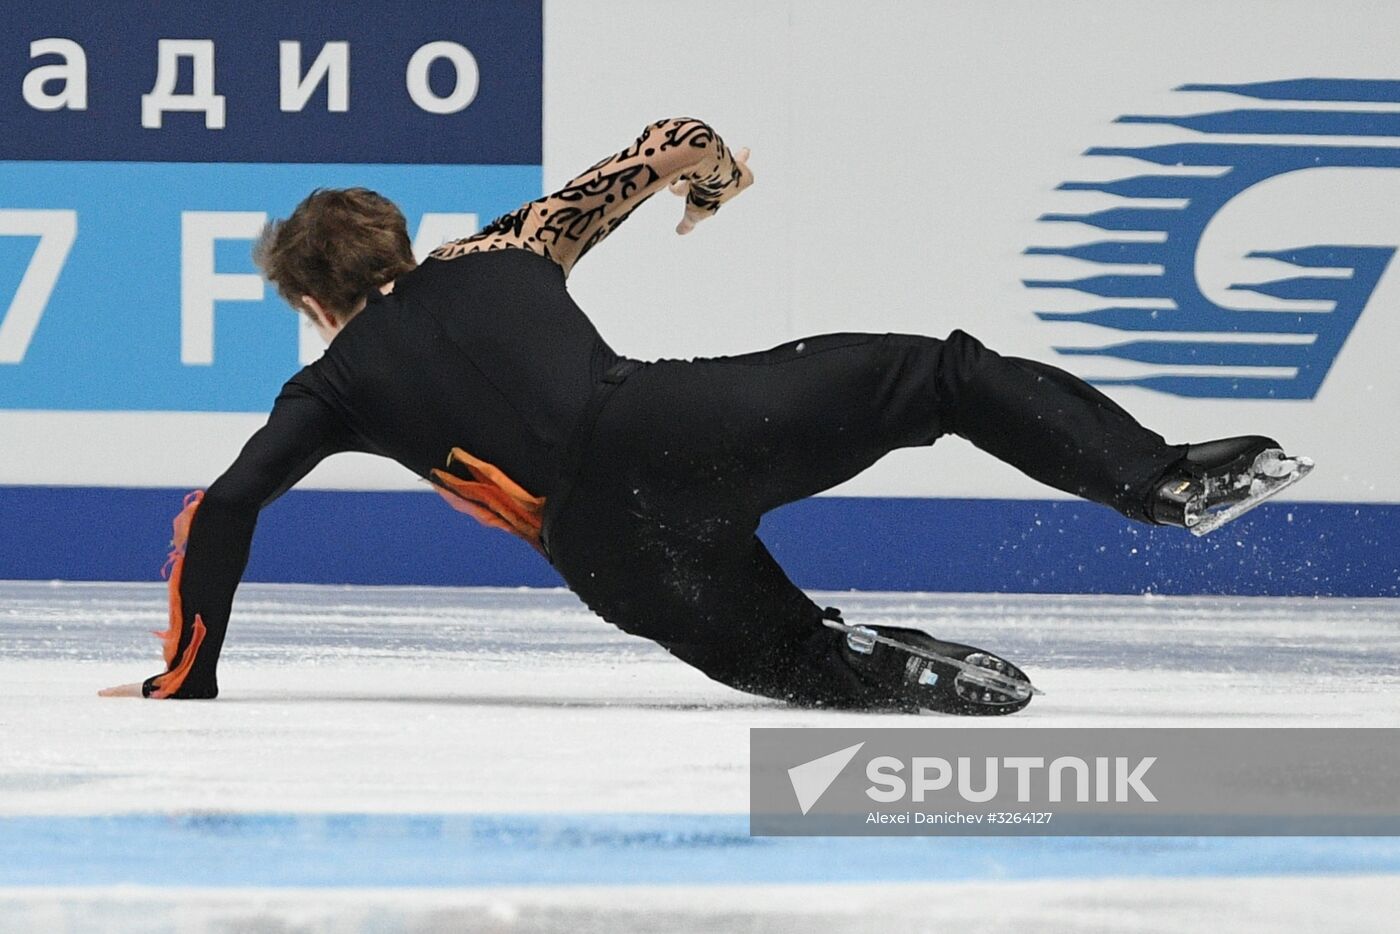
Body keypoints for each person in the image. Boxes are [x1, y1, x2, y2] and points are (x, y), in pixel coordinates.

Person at [99, 117, 1309, 714]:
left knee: (778, 657)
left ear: (311, 297)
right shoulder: (500, 249)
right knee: (937, 375)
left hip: (608, 557)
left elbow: (225, 506)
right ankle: (1153, 479)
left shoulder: (331, 382)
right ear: (401, 241)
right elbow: (672, 142)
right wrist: (715, 189)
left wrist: (184, 677)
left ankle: (843, 660)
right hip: (678, 424)